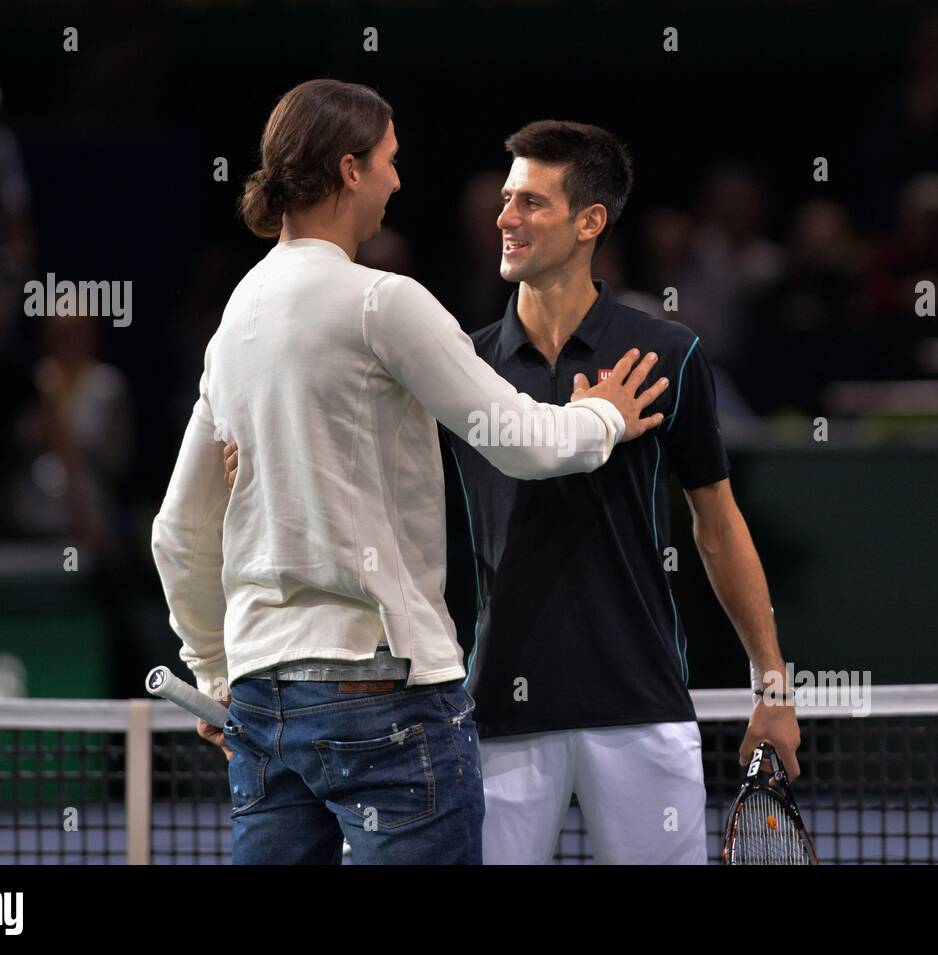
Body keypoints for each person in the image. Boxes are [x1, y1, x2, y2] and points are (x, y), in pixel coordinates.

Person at [225, 120, 800, 865]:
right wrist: (262, 457)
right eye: (505, 199)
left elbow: (717, 527)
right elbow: (362, 468)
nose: (505, 218)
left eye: (531, 202)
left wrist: (774, 686)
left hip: (641, 709)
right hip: (496, 713)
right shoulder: (457, 361)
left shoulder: (668, 354)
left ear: (591, 221)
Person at [150, 80, 667, 865]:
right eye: (391, 161)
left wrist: (218, 672)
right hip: (381, 693)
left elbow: (178, 532)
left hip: (264, 701)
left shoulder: (234, 322)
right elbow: (521, 439)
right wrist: (604, 417)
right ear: (350, 168)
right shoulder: (382, 302)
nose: (399, 180)